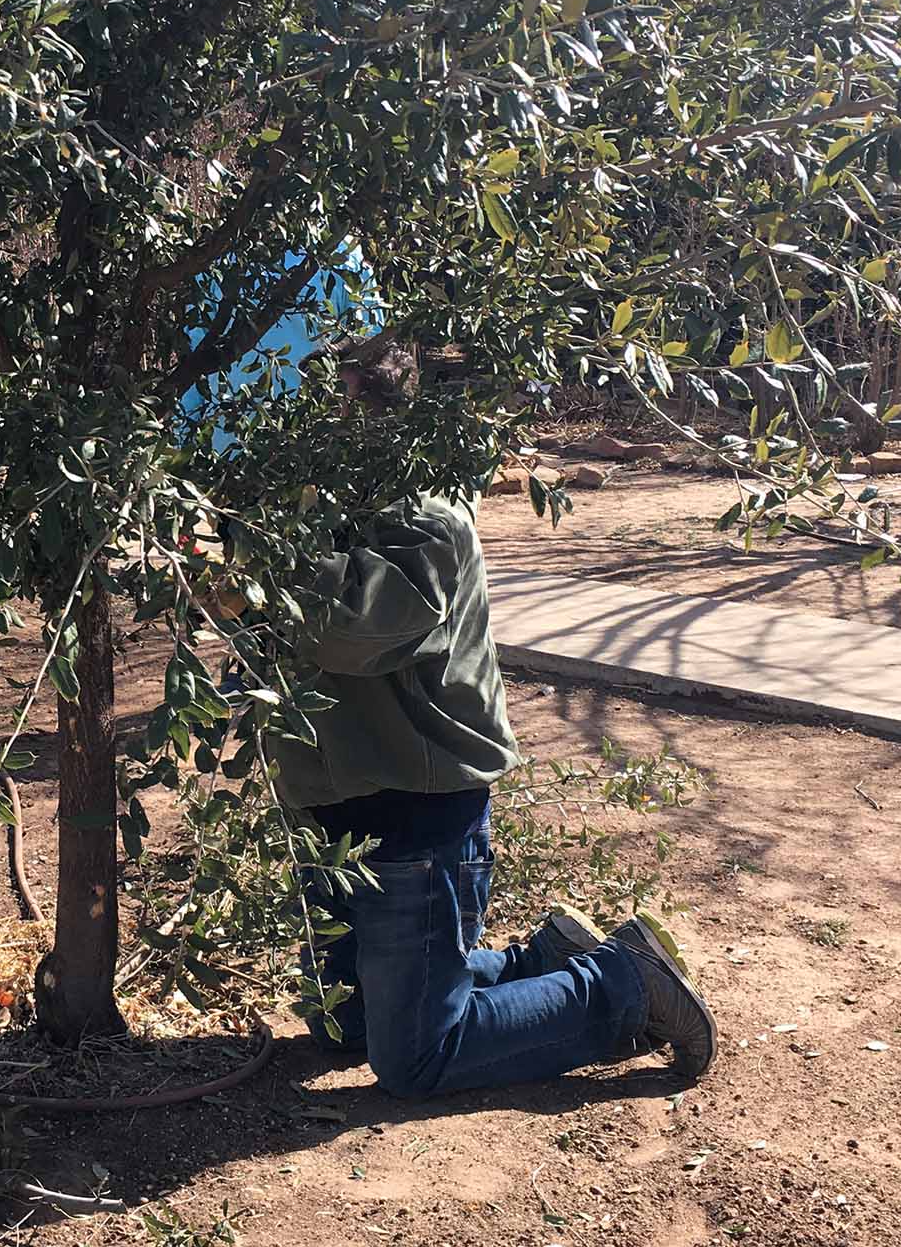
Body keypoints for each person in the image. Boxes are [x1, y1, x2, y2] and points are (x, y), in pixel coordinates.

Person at [266, 330, 716, 1098]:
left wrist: (248, 572)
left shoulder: (427, 513)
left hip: (416, 808)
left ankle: (623, 983)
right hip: (331, 801)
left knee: (415, 1059)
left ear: (371, 406)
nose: (296, 422)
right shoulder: (315, 502)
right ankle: (534, 965)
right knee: (344, 1026)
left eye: (320, 399)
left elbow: (352, 629)